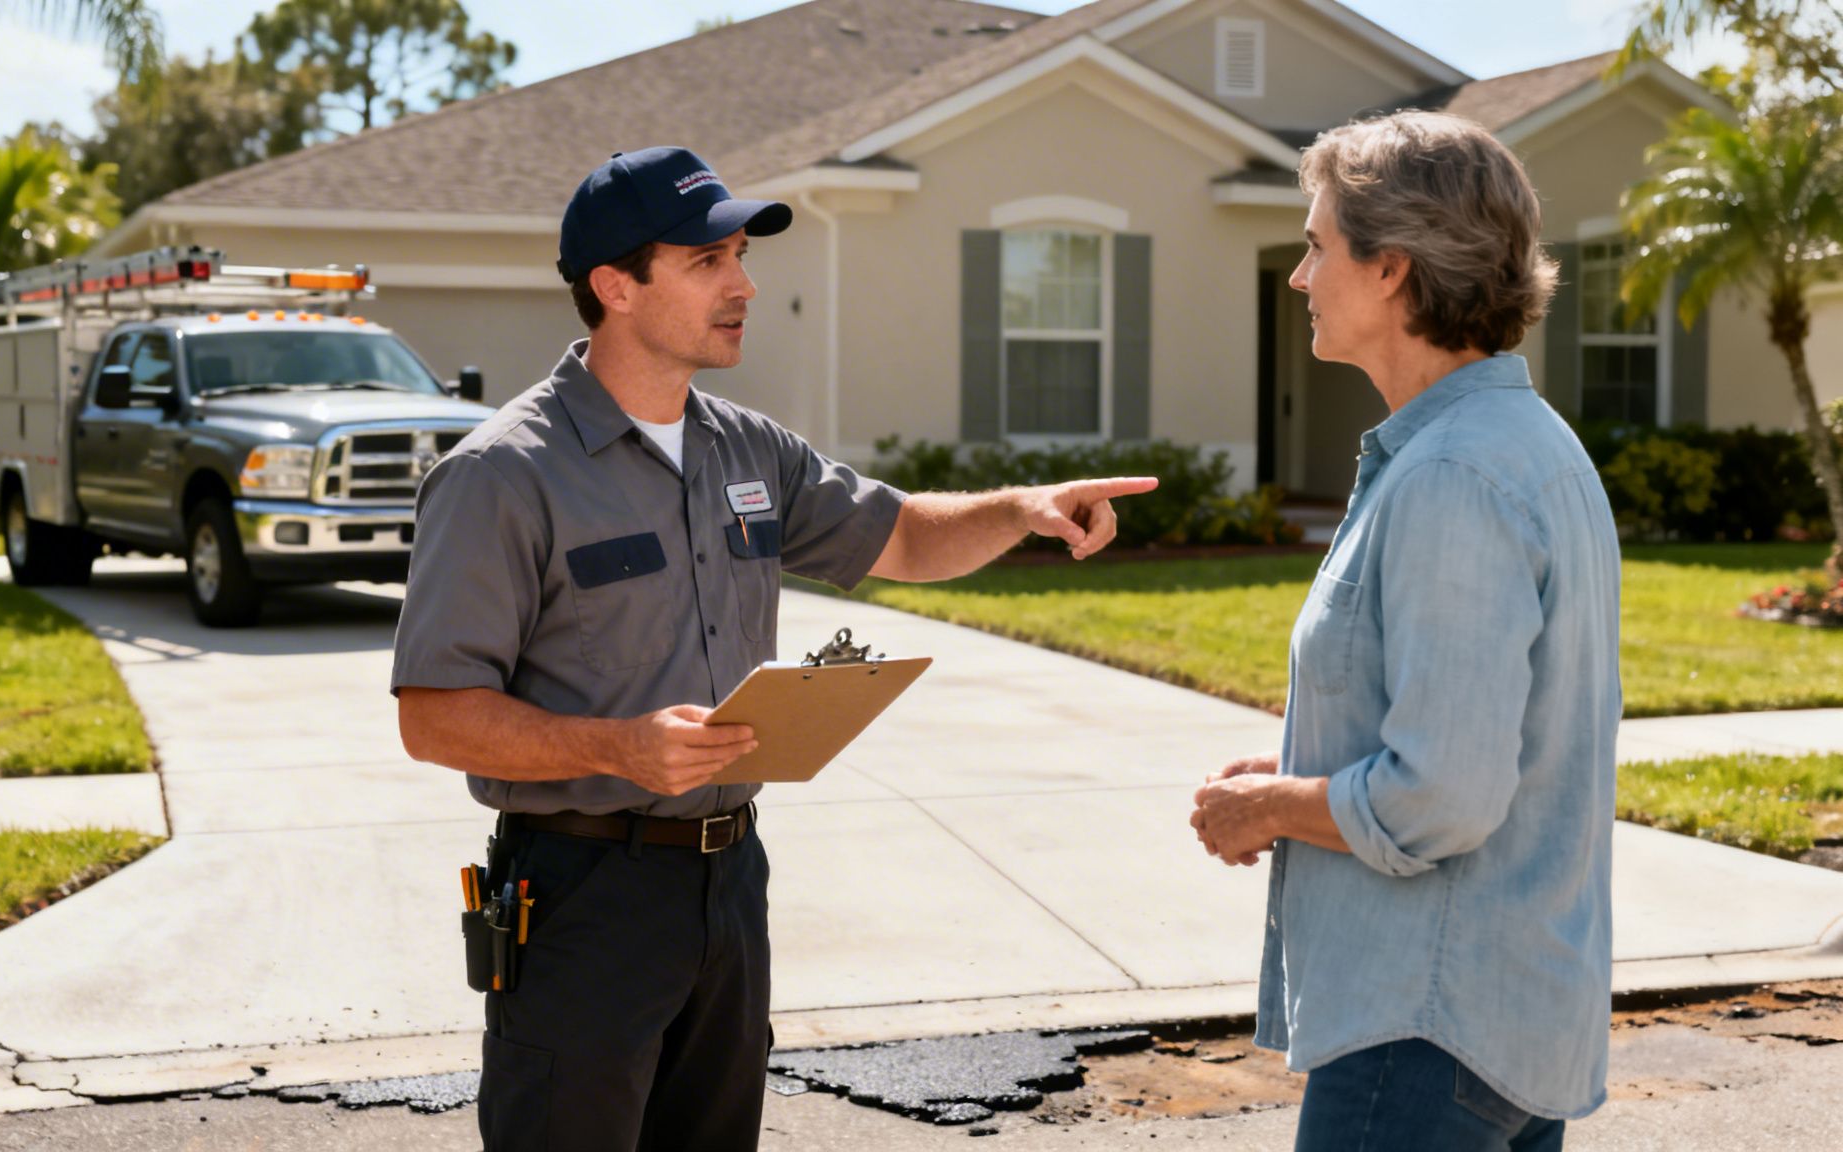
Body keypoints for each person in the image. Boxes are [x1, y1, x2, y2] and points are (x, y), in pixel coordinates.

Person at [391, 145, 1156, 1151]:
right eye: (706, 261)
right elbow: (433, 716)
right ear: (614, 286)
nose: (742, 284)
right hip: (578, 893)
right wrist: (617, 748)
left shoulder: (748, 449)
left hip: (727, 883)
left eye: (740, 254)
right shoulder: (501, 476)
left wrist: (1022, 508)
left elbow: (907, 536)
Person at [1187, 111, 1622, 1151]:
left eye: (1314, 245)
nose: (1299, 276)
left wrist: (1270, 809)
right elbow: (1477, 733)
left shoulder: (1449, 477)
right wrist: (1305, 764)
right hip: (1505, 1023)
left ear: (1387, 268)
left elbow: (1440, 796)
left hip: (1424, 1036)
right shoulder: (1525, 447)